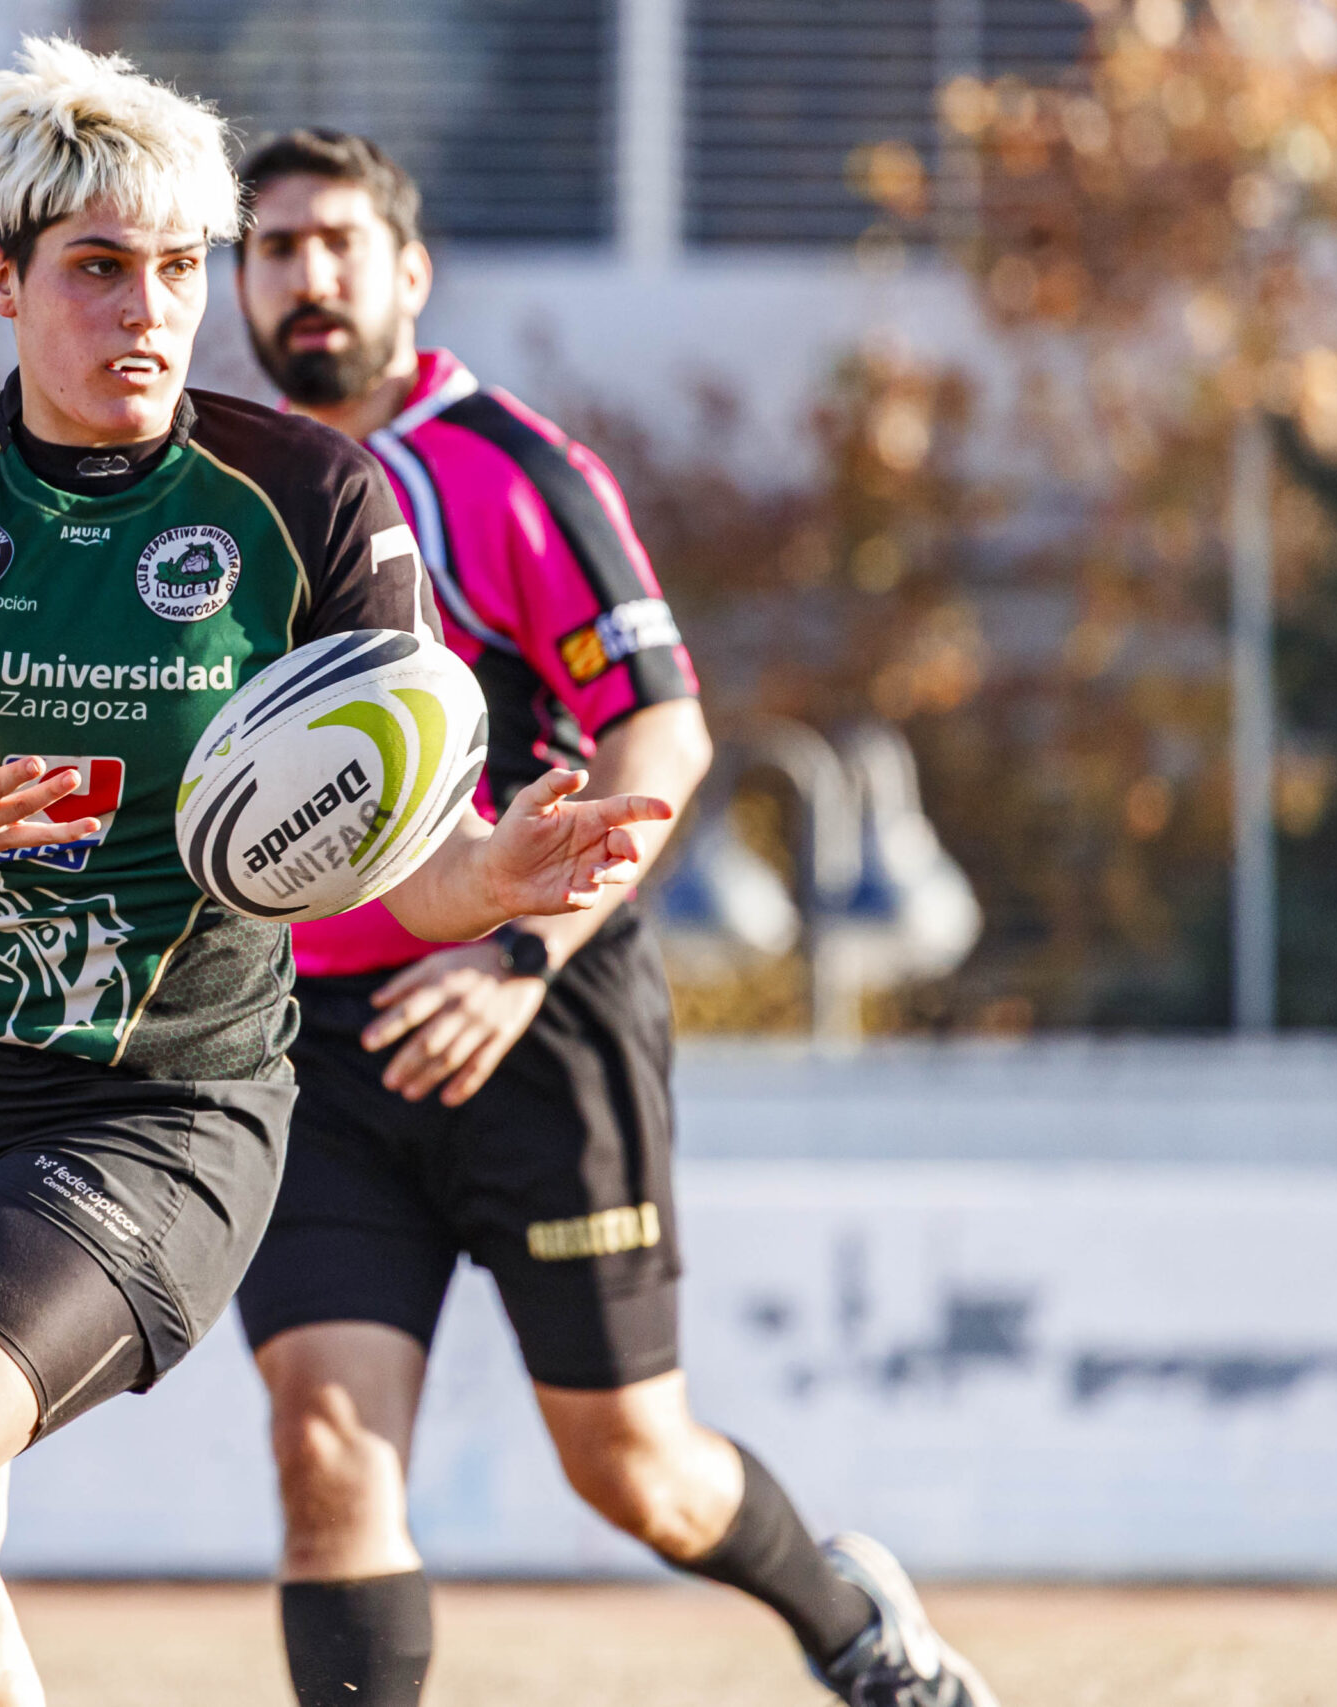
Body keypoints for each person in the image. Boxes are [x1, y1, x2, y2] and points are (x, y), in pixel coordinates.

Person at [0, 43, 674, 1707]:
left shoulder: (314, 499)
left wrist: (491, 873)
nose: (149, 310)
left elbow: (392, 874)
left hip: (147, 1115)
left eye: (177, 268)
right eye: (97, 269)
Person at [230, 129, 999, 1707]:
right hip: (309, 1042)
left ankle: (850, 1620)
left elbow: (664, 731)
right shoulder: (219, 496)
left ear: (409, 272)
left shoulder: (510, 468)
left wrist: (517, 955)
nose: (306, 277)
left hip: (538, 1016)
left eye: (336, 243)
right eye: (274, 249)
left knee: (632, 1465)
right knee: (323, 1444)